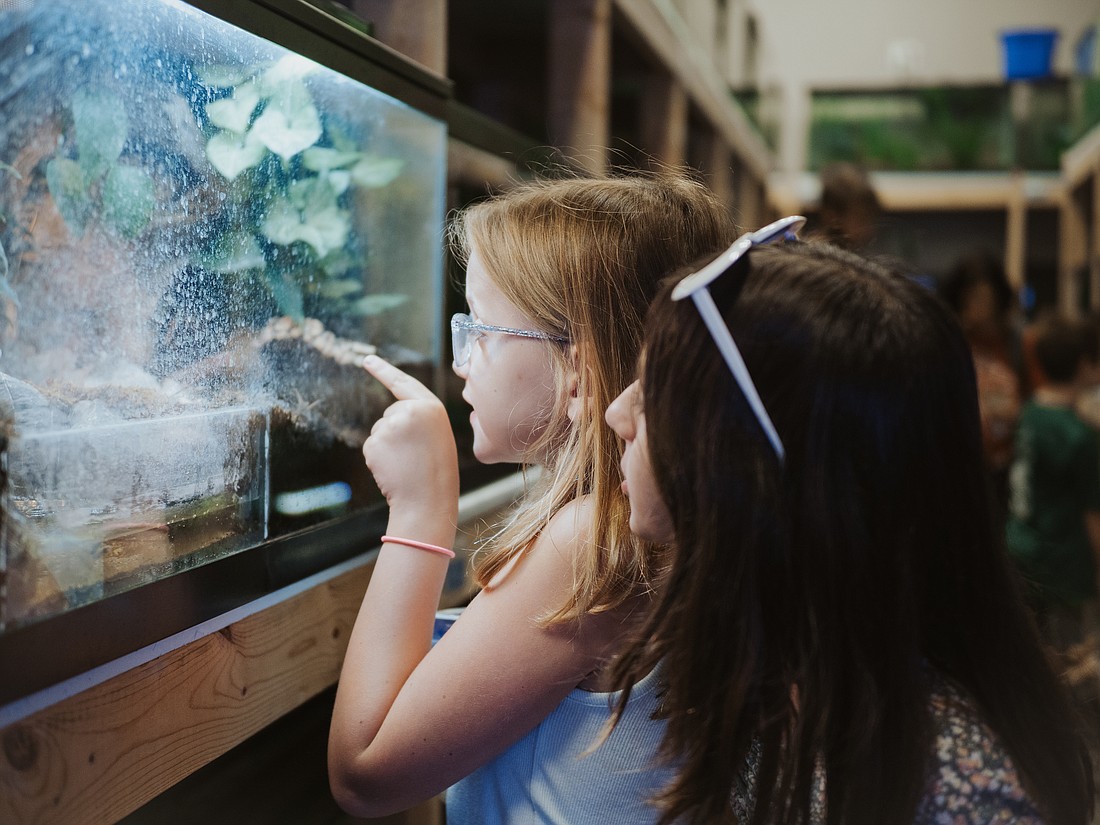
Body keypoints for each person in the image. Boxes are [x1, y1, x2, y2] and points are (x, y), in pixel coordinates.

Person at [605, 225, 1093, 825]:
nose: (615, 413)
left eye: (654, 396)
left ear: (755, 467)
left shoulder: (958, 794)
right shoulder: (781, 669)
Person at [326, 172, 738, 822]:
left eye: (482, 330)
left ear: (581, 369)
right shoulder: (656, 520)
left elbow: (365, 774)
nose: (461, 361)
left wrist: (420, 508)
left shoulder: (596, 540)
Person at [1007, 310, 1100, 650]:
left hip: (1023, 543)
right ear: (1083, 364)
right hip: (1064, 563)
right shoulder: (1080, 438)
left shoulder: (1031, 410)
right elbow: (1094, 516)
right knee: (1068, 656)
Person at [938, 250, 1026, 527]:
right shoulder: (946, 342)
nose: (977, 310)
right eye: (970, 301)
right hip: (956, 464)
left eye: (985, 300)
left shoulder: (1017, 344)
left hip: (1007, 468)